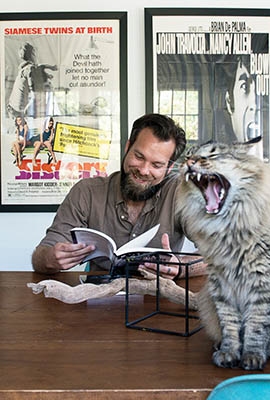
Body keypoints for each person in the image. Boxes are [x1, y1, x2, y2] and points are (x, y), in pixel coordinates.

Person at [31, 113, 206, 280]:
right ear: (127, 147)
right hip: (98, 299)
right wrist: (50, 258)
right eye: (139, 156)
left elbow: (222, 254)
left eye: (157, 164)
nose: (144, 170)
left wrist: (181, 268)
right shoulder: (87, 192)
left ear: (169, 168)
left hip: (159, 299)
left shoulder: (180, 193)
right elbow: (40, 256)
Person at [7, 41, 58, 119]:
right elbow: (34, 93)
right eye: (35, 53)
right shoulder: (30, 68)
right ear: (32, 54)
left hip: (11, 108)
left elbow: (37, 69)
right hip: (19, 113)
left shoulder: (22, 68)